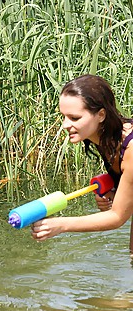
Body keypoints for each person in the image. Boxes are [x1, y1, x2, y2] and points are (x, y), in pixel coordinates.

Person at [31, 74, 133, 254]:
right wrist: (115, 191)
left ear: (101, 115)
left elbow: (117, 217)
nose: (65, 125)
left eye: (75, 118)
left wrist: (61, 225)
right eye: (64, 116)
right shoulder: (104, 136)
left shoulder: (130, 148)